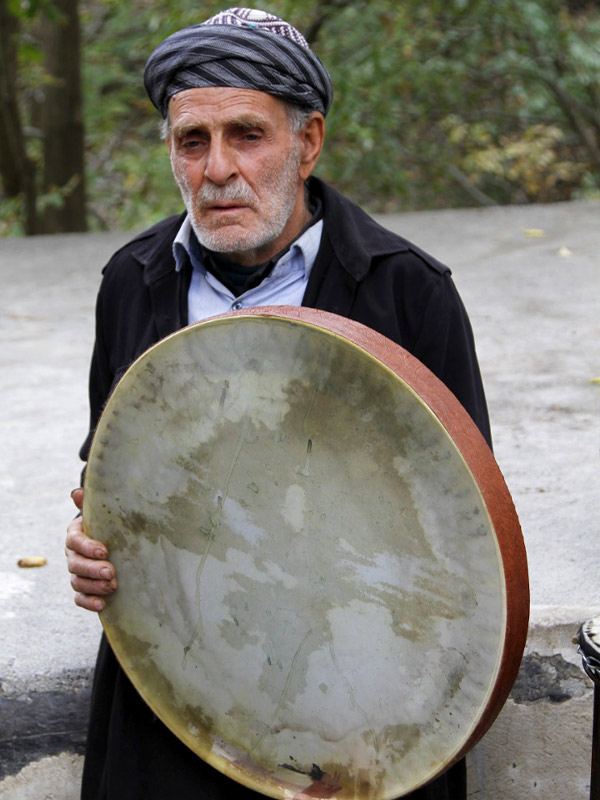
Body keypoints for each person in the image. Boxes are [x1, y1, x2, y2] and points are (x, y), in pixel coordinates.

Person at [66, 8, 491, 799]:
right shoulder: (135, 279)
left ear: (309, 142)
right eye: (192, 141)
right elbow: (112, 470)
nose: (217, 168)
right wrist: (95, 543)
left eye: (247, 135)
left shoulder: (407, 292)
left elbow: (465, 539)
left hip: (352, 719)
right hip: (177, 689)